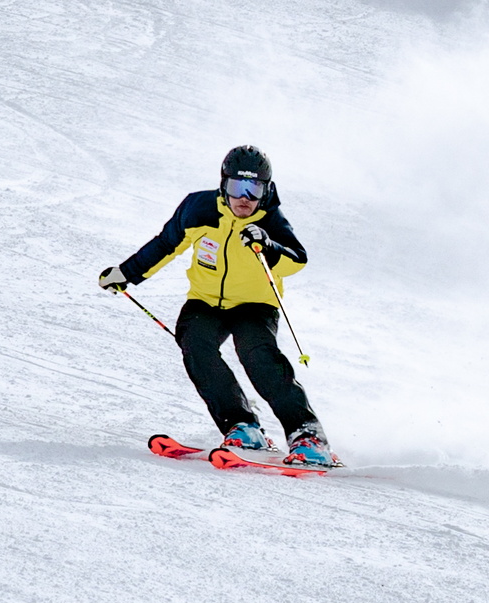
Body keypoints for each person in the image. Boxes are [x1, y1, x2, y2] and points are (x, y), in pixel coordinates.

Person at [99, 145, 336, 467]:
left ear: (266, 191)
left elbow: (297, 260)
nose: (245, 198)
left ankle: (308, 436)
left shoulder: (270, 219)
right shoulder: (200, 209)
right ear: (223, 185)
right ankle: (242, 426)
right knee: (196, 346)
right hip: (206, 300)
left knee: (258, 356)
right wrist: (126, 273)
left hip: (255, 304)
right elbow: (167, 244)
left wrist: (267, 245)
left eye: (255, 190)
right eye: (237, 187)